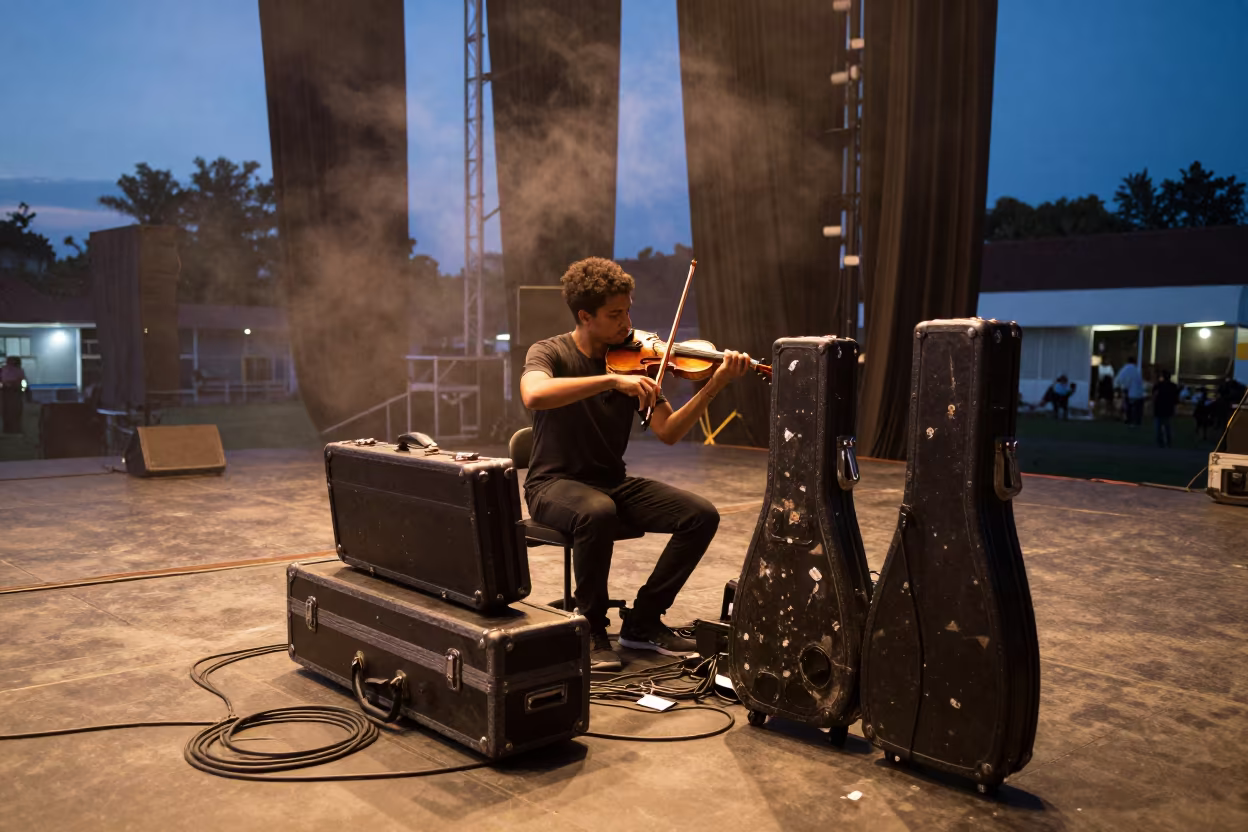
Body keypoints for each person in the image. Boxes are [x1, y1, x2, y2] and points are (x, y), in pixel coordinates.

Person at [520, 257, 750, 671]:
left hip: (610, 483)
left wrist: (715, 384)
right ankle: (591, 630)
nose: (627, 323)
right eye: (615, 314)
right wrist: (612, 381)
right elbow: (534, 394)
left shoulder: (634, 358)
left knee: (700, 515)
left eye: (628, 311)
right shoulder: (550, 351)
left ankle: (643, 621)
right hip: (552, 485)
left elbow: (669, 431)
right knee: (597, 511)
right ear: (585, 316)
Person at [1152, 369, 1179, 448]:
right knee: (1168, 426)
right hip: (1169, 408)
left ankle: (1160, 442)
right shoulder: (1173, 386)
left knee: (1158, 426)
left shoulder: (1158, 385)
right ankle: (1168, 441)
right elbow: (1175, 399)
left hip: (1159, 408)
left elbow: (1154, 395)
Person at [1115, 356, 1144, 427]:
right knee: (1137, 408)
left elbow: (1119, 379)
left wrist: (1122, 387)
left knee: (1129, 407)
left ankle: (1129, 419)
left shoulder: (1125, 369)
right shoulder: (1137, 370)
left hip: (1129, 390)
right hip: (1138, 392)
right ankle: (1137, 421)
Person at [1, 356, 27, 434]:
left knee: (13, 410)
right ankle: (9, 428)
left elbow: (23, 382)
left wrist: (22, 390)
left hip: (14, 391)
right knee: (8, 410)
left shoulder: (18, 370)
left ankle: (14, 428)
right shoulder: (4, 369)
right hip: (7, 391)